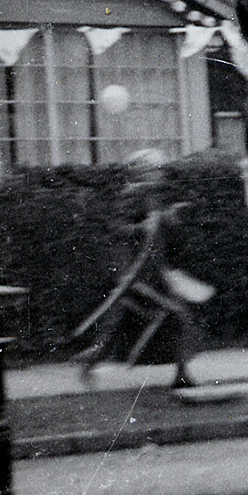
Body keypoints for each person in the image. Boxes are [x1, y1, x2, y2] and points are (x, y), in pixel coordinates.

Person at [73, 148, 206, 392]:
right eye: (157, 170)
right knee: (171, 316)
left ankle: (181, 373)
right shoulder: (132, 195)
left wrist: (169, 217)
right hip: (135, 276)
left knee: (177, 316)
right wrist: (142, 227)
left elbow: (158, 228)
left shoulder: (153, 196)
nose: (161, 175)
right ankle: (90, 362)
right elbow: (116, 228)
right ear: (145, 172)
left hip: (155, 274)